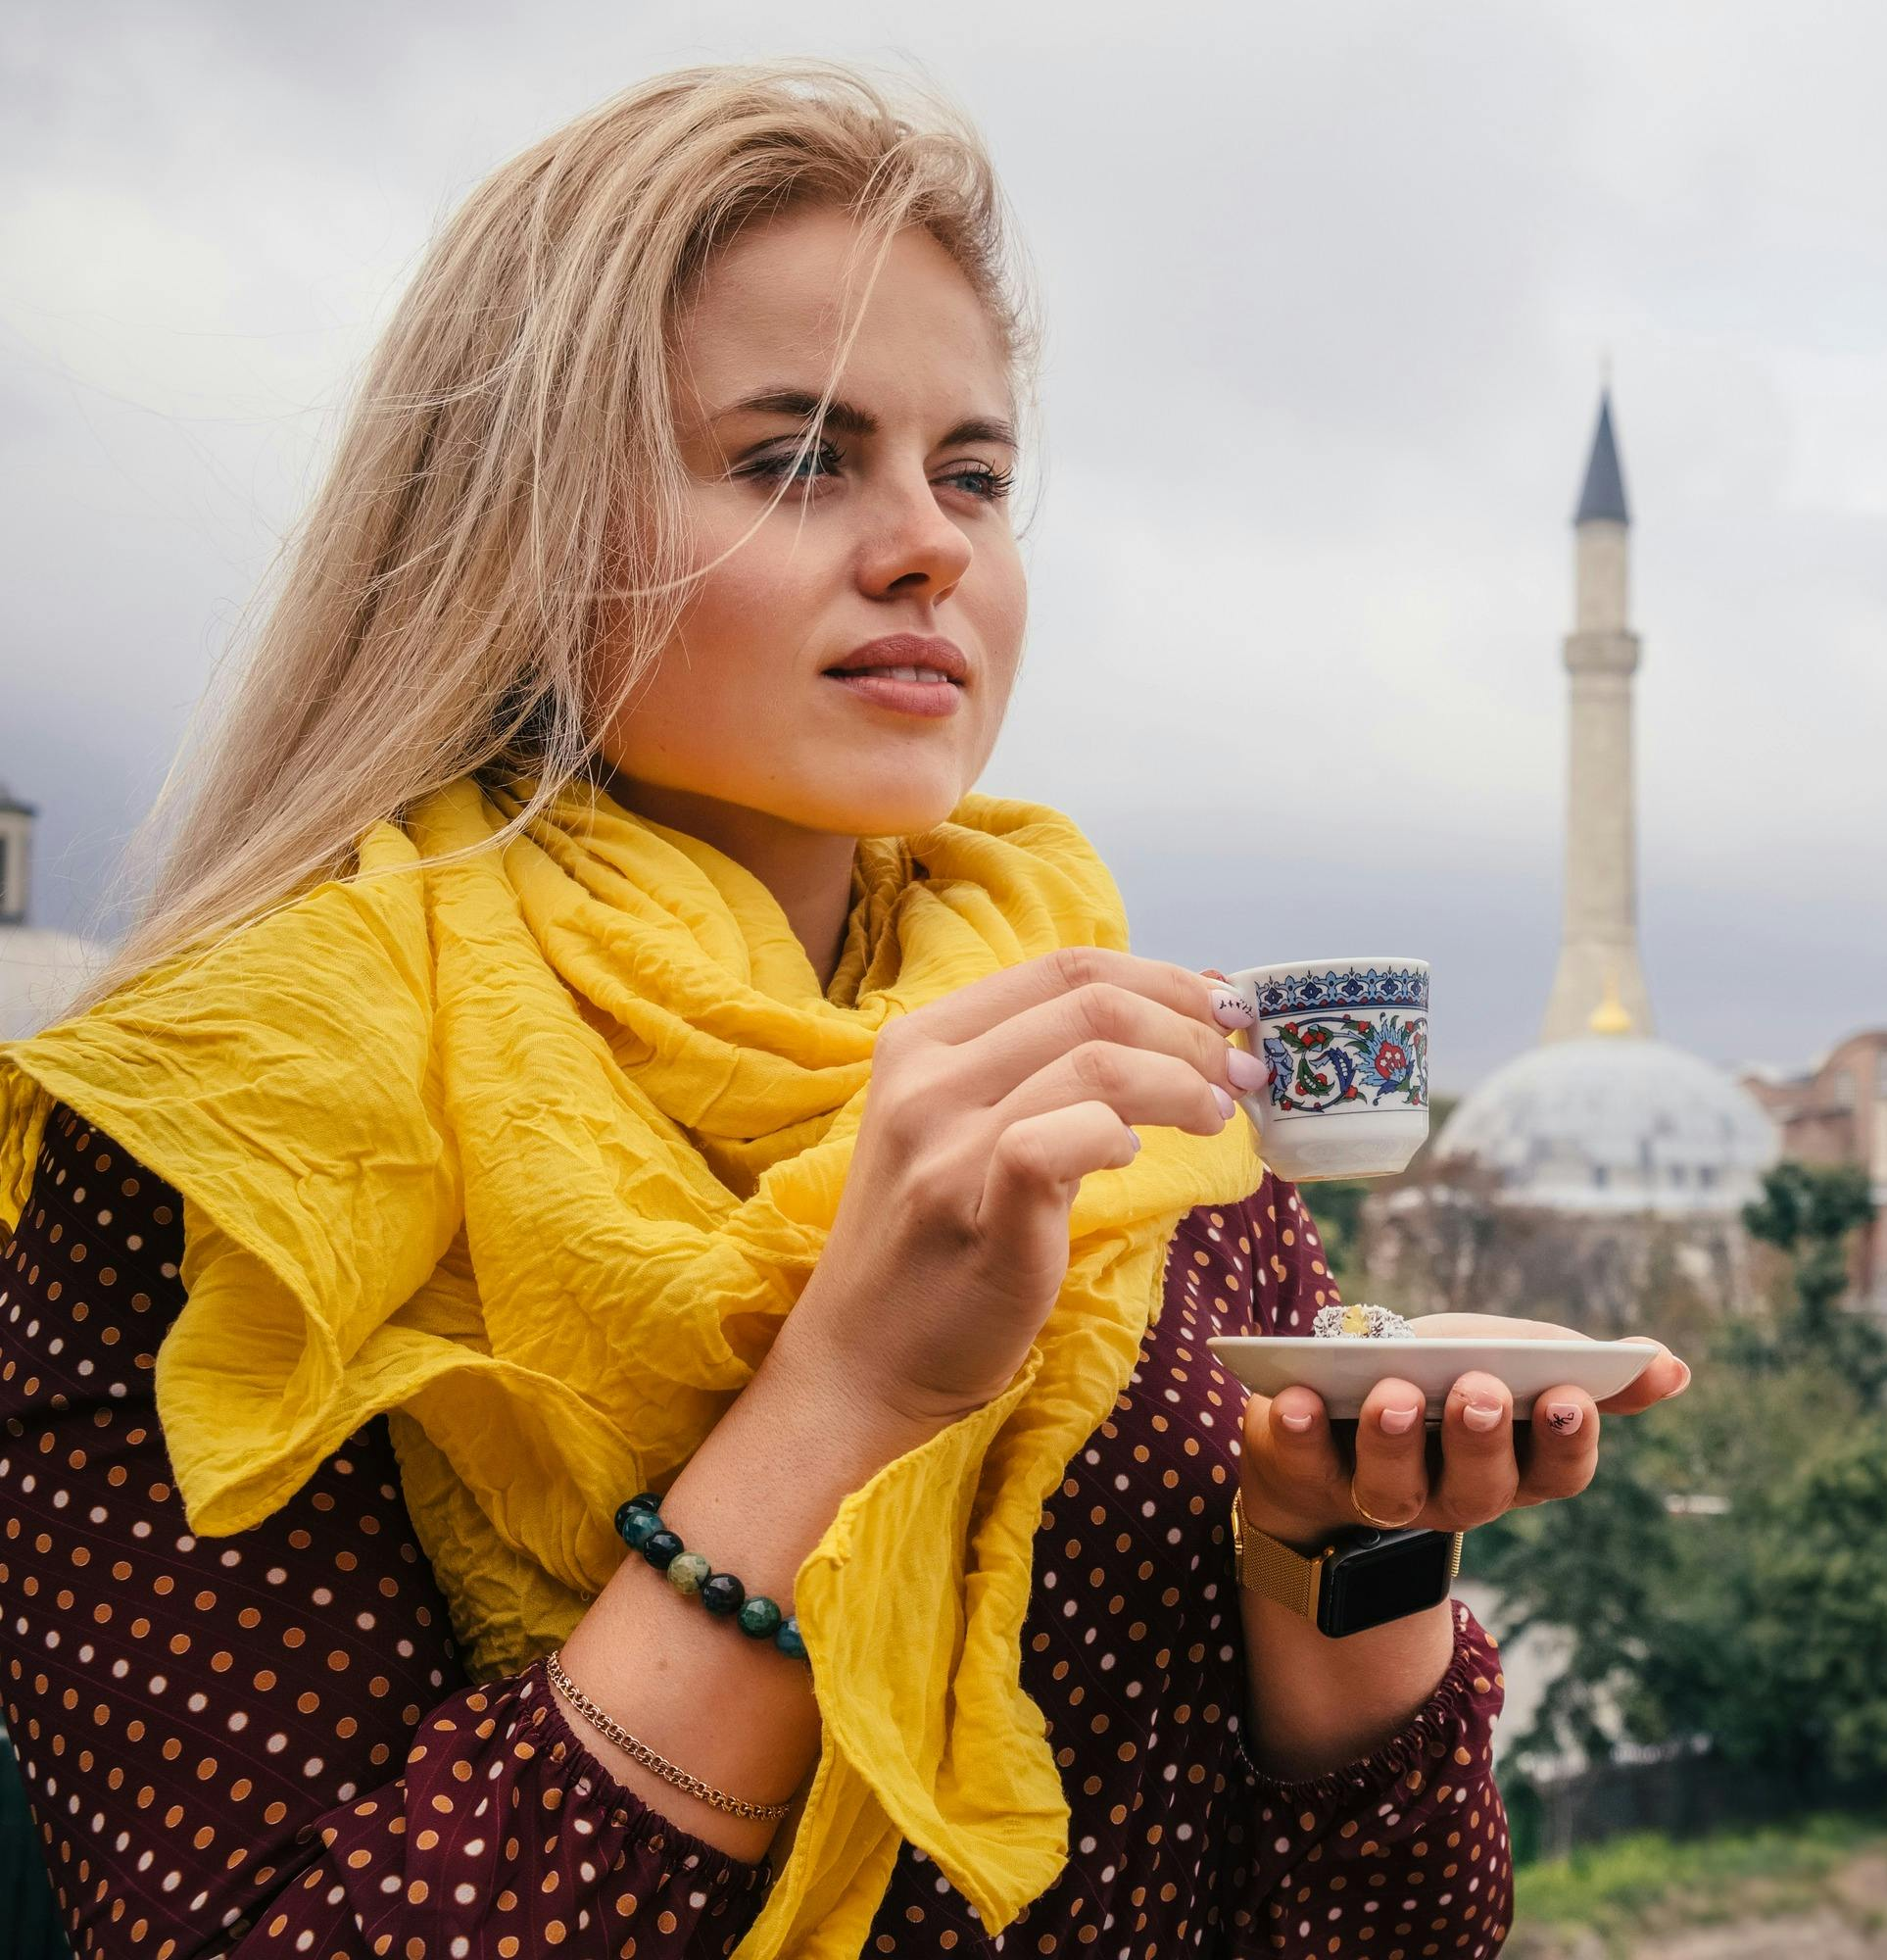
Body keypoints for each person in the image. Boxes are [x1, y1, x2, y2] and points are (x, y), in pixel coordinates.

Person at [0, 64, 1687, 1959]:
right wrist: (851, 1388)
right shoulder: (231, 1133)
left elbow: (1399, 1932)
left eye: (970, 473)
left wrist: (1341, 1554)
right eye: (797, 460)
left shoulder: (1135, 1096)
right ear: (524, 533)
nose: (930, 545)